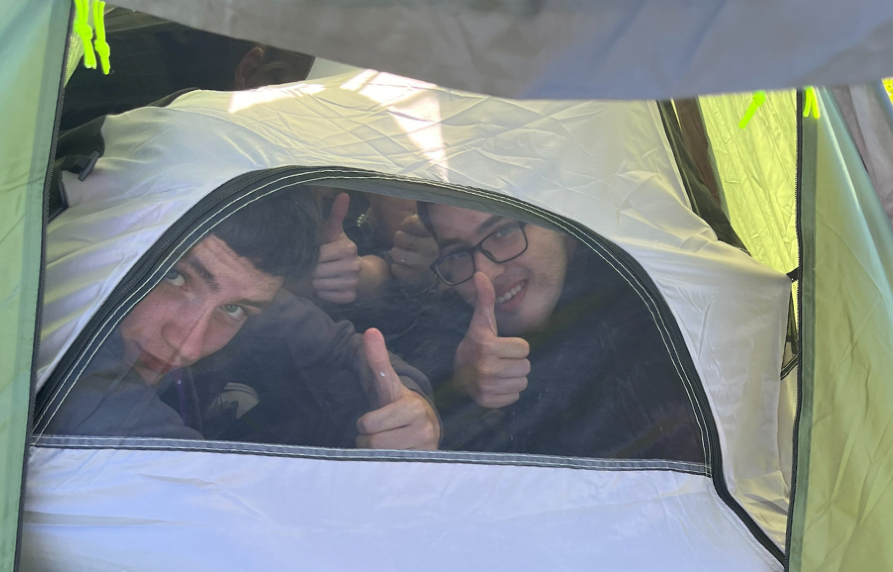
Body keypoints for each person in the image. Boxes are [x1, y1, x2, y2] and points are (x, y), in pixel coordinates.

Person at [47, 189, 441, 451]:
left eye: (232, 309)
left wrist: (411, 406)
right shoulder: (67, 368)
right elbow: (201, 497)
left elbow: (341, 349)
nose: (188, 344)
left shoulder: (247, 297)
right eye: (175, 277)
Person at [408, 202, 706, 462]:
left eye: (503, 232)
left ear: (559, 221)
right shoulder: (448, 325)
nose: (485, 274)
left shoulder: (661, 320)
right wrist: (460, 389)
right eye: (458, 254)